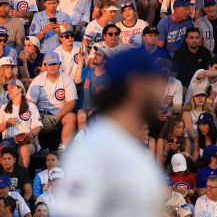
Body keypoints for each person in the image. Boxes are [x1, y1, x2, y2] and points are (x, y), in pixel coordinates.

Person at [54, 48, 168, 216]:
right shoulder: (98, 148)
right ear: (136, 85)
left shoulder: (124, 144)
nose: (160, 91)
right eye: (156, 82)